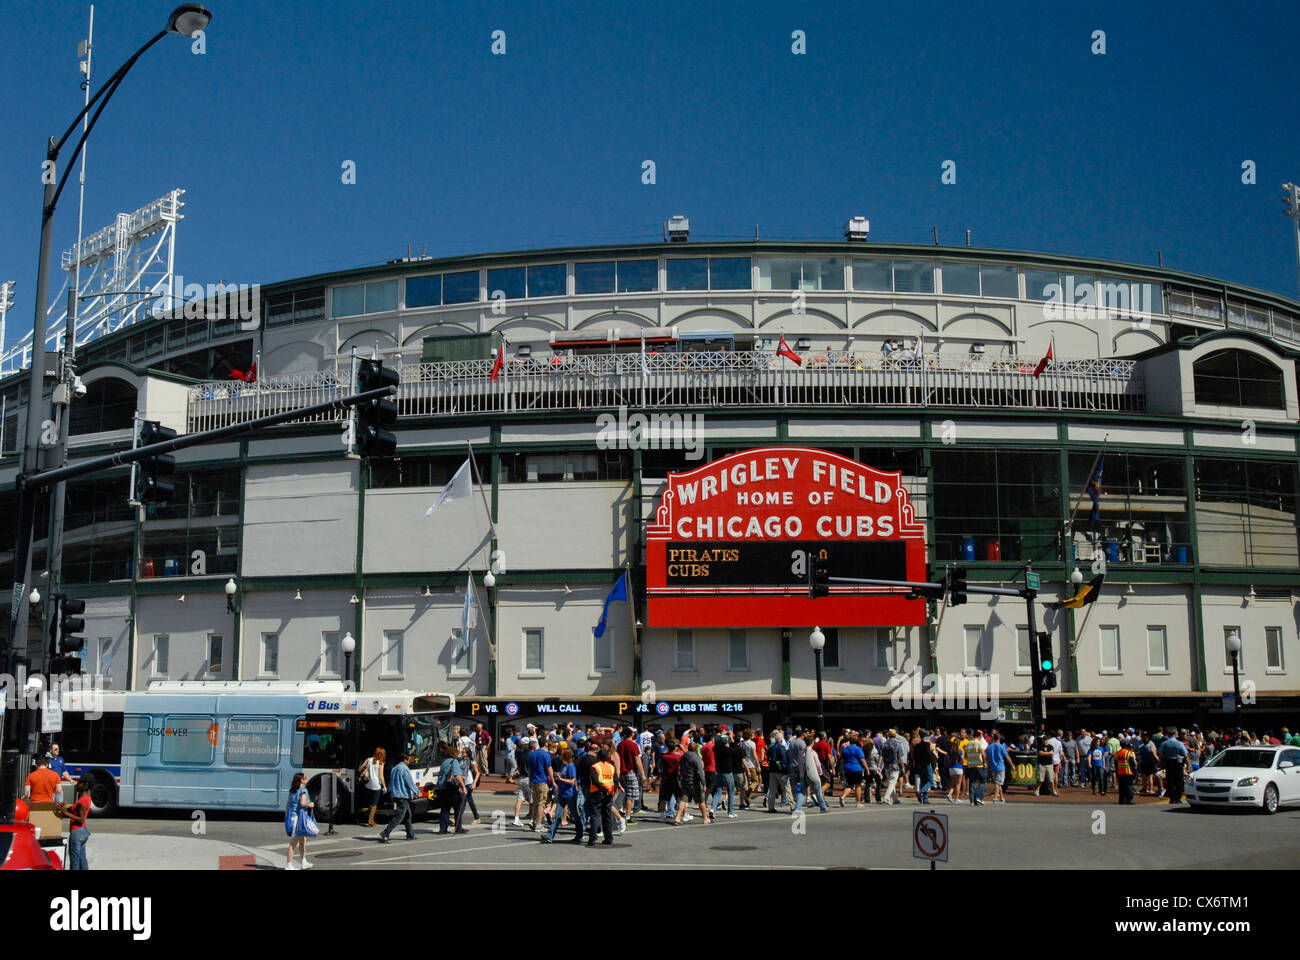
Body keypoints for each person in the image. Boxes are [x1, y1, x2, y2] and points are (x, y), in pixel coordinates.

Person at [379, 754, 417, 843]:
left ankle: (410, 834)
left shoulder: (395, 768)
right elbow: (409, 782)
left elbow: (391, 781)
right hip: (403, 795)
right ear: (405, 760)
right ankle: (386, 833)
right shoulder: (404, 769)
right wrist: (416, 791)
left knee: (408, 815)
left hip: (396, 794)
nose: (409, 761)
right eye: (408, 760)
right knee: (399, 816)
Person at [675, 739, 711, 825]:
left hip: (685, 780)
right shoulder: (696, 758)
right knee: (701, 800)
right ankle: (705, 818)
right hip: (694, 782)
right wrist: (704, 783)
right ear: (696, 749)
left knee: (683, 799)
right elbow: (700, 772)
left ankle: (678, 817)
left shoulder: (684, 756)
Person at [284, 771, 316, 868]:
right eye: (304, 778)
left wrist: (286, 817)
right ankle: (289, 865)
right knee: (293, 843)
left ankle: (304, 862)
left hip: (293, 817)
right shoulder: (303, 790)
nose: (306, 779)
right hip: (299, 819)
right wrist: (311, 804)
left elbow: (288, 805)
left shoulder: (292, 790)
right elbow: (303, 803)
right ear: (301, 780)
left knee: (302, 841)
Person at [587, 747, 618, 846]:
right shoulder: (611, 767)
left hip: (597, 793)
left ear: (599, 757)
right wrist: (612, 791)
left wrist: (603, 789)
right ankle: (609, 838)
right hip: (608, 793)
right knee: (607, 815)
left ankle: (592, 839)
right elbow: (616, 781)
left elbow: (595, 781)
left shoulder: (595, 767)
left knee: (595, 816)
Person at [616, 726, 644, 823]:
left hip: (621, 771)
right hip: (630, 771)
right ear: (631, 734)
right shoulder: (633, 745)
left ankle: (622, 810)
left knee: (625, 792)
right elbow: (637, 761)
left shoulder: (620, 744)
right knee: (631, 796)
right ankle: (628, 817)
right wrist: (643, 774)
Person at [65, 778, 93, 871]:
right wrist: (69, 807)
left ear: (86, 786)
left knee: (75, 861)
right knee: (82, 859)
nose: (78, 784)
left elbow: (81, 819)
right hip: (83, 832)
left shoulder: (82, 801)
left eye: (80, 783)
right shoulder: (86, 797)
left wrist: (66, 813)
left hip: (77, 832)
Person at [527, 737, 554, 830]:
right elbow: (549, 768)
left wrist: (530, 780)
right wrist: (553, 781)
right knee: (541, 803)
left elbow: (529, 769)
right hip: (542, 780)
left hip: (534, 780)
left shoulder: (533, 754)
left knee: (535, 802)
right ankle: (538, 823)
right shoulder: (546, 755)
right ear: (545, 744)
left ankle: (534, 821)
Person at [1158, 729, 1189, 804]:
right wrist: (1188, 764)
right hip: (1178, 763)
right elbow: (1185, 755)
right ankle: (1178, 798)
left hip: (1168, 762)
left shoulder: (1164, 743)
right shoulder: (1179, 743)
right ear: (1175, 734)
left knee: (1170, 780)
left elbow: (1160, 754)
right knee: (1179, 781)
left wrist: (1162, 763)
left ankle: (1171, 798)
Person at [358, 746, 386, 827]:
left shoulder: (368, 760)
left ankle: (367, 818)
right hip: (376, 785)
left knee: (370, 802)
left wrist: (365, 770)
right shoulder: (381, 763)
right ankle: (371, 820)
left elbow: (360, 769)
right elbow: (381, 776)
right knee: (374, 803)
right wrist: (384, 786)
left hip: (368, 784)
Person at [710, 734, 737, 818]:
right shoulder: (728, 750)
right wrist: (732, 742)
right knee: (731, 791)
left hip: (719, 772)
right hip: (728, 772)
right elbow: (735, 751)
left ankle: (712, 809)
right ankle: (730, 812)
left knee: (718, 792)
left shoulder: (716, 749)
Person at [839, 734, 867, 807]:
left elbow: (842, 760)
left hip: (847, 768)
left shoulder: (845, 749)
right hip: (856, 768)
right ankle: (858, 803)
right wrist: (866, 768)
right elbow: (862, 759)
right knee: (858, 785)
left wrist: (841, 770)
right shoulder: (857, 749)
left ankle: (843, 796)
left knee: (850, 785)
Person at [963, 730, 988, 806]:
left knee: (972, 782)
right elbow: (983, 754)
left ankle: (972, 801)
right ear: (980, 736)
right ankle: (978, 797)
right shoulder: (979, 743)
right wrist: (984, 762)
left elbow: (966, 755)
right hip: (979, 765)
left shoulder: (967, 744)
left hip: (970, 765)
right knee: (983, 781)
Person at [460, 744, 482, 825]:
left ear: (467, 754)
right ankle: (477, 817)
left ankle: (458, 818)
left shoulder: (471, 761)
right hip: (464, 783)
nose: (462, 754)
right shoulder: (462, 760)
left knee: (463, 801)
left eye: (464, 752)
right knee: (469, 800)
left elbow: (478, 773)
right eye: (462, 752)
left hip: (469, 783)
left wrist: (474, 783)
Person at [986, 732, 1011, 803]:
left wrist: (988, 766)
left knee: (997, 782)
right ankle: (995, 797)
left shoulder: (989, 747)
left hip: (993, 767)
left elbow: (987, 757)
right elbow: (1007, 756)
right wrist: (1012, 765)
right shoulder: (1001, 746)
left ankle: (1002, 797)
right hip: (1000, 767)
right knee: (998, 783)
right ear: (999, 738)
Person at [912, 732, 935, 804]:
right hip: (927, 764)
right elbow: (928, 754)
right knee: (931, 781)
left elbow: (914, 757)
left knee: (924, 781)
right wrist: (931, 761)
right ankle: (921, 792)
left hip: (920, 765)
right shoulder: (926, 744)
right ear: (925, 737)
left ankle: (925, 799)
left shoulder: (916, 746)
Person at [1114, 740, 1137, 804]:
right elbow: (1132, 764)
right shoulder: (1128, 753)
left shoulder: (1117, 753)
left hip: (1120, 773)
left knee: (1121, 787)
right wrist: (1135, 773)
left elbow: (1116, 764)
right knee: (1129, 786)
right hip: (1128, 772)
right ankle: (1128, 800)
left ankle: (1121, 800)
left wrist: (1117, 773)